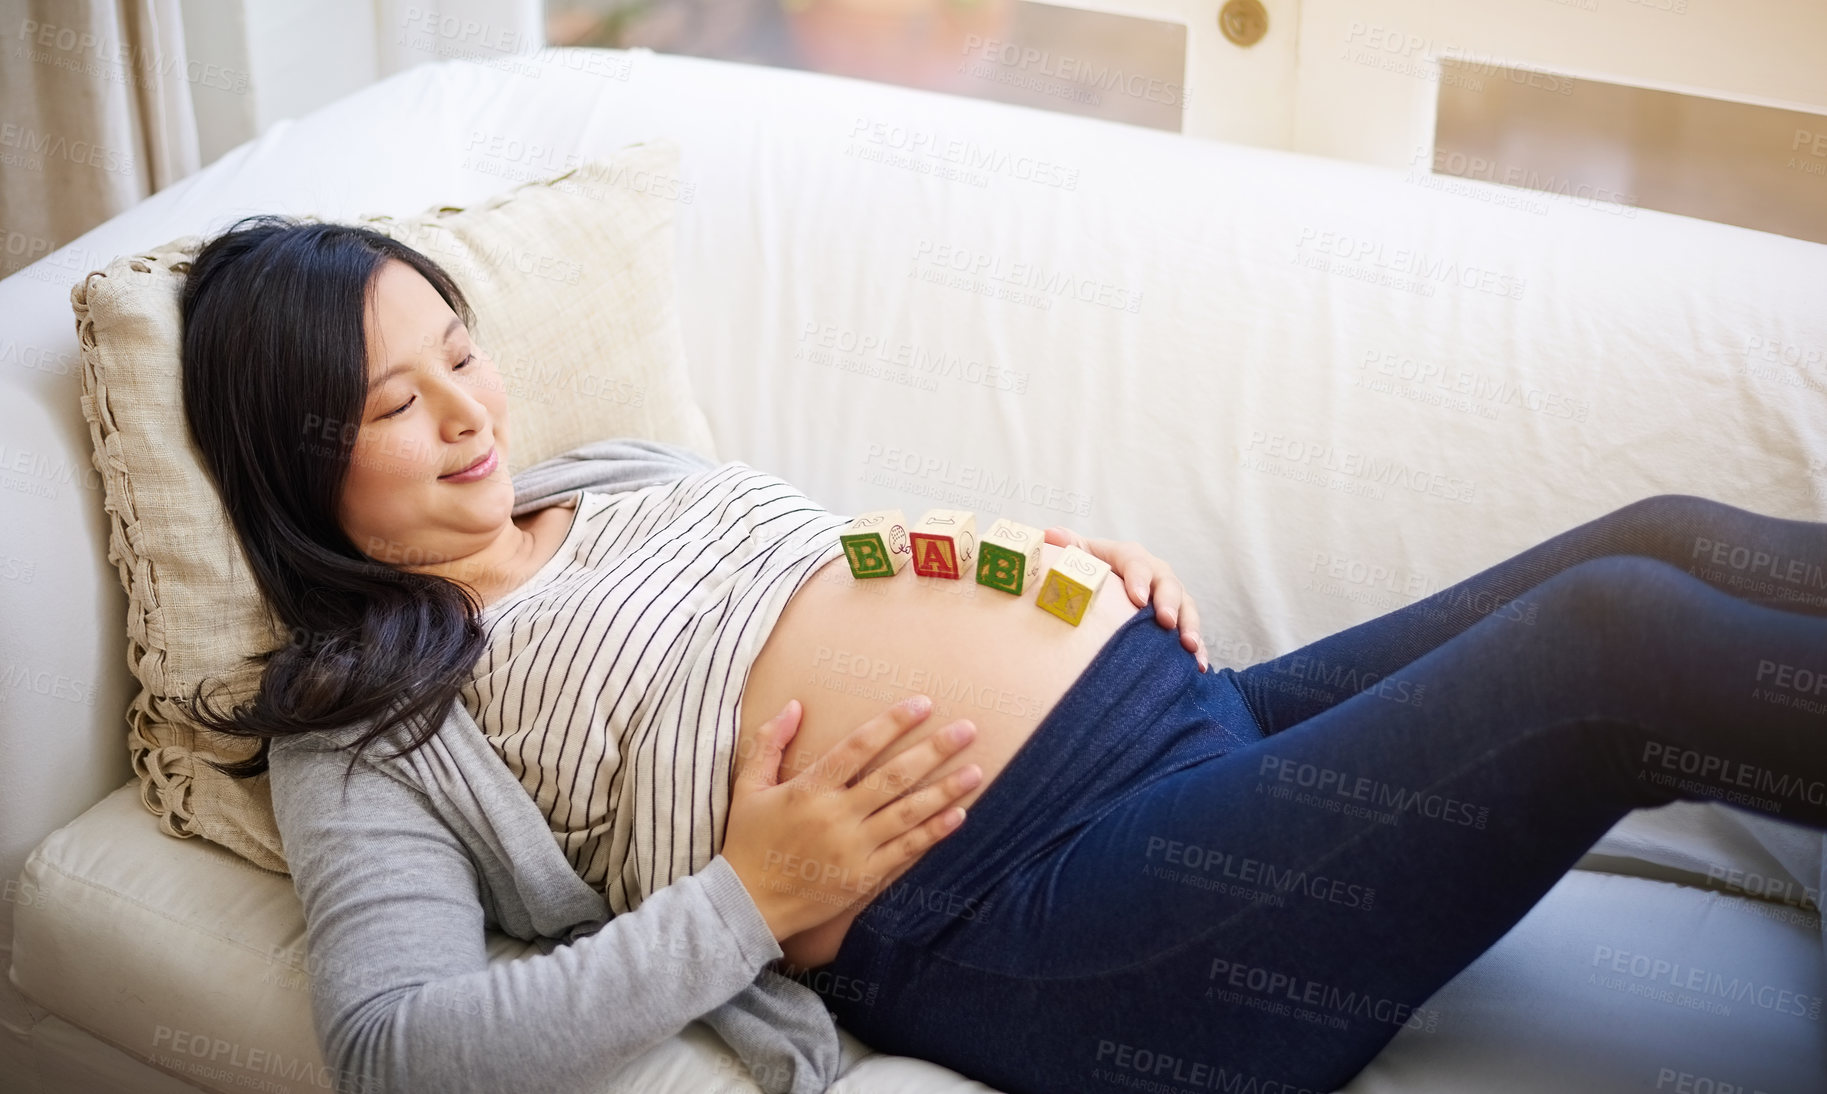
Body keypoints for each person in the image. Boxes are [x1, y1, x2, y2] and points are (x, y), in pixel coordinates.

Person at [178, 216, 1827, 1094]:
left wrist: (1056, 573)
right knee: (1622, 640)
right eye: (399, 402)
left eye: (461, 353)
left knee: (1663, 532)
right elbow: (397, 1049)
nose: (471, 413)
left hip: (1191, 714)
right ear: (296, 459)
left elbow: (823, 578)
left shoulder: (605, 477)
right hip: (1038, 915)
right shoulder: (368, 719)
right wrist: (745, 896)